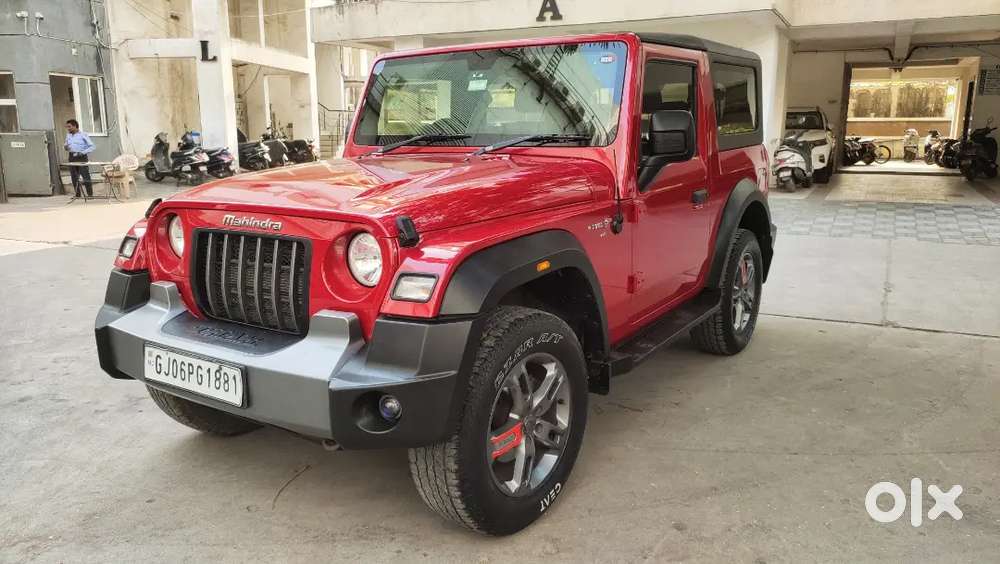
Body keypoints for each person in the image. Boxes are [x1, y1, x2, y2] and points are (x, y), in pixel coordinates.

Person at [64, 119, 95, 197]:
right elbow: (66, 145)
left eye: (69, 127)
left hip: (81, 157)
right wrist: (66, 147)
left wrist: (82, 152)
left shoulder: (83, 135)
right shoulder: (68, 135)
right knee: (74, 177)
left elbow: (92, 146)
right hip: (72, 157)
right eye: (67, 127)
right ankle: (77, 195)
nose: (68, 129)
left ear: (75, 126)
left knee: (85, 176)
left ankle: (90, 194)